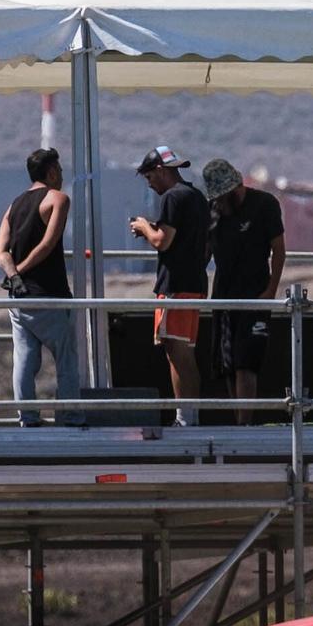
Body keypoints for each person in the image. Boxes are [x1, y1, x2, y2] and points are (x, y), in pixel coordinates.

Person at [0, 148, 82, 426]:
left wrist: (13, 275)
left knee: (24, 359)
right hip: (50, 295)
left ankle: (28, 416)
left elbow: (0, 250)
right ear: (52, 172)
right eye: (61, 171)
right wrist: (19, 271)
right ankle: (69, 414)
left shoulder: (14, 205)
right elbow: (48, 244)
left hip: (19, 297)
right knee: (66, 358)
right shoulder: (58, 199)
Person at [200, 159, 286, 425]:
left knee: (246, 361)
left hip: (255, 293)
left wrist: (271, 289)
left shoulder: (265, 204)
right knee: (226, 364)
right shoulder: (212, 212)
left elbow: (279, 250)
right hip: (224, 295)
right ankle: (238, 420)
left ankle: (245, 423)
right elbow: (204, 254)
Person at [128, 146, 209, 426]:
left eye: (150, 177)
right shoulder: (196, 196)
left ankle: (184, 419)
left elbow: (163, 241)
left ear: (161, 171)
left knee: (176, 353)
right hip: (195, 283)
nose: (150, 185)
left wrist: (143, 227)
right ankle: (192, 416)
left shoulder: (173, 197)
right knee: (187, 352)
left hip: (175, 285)